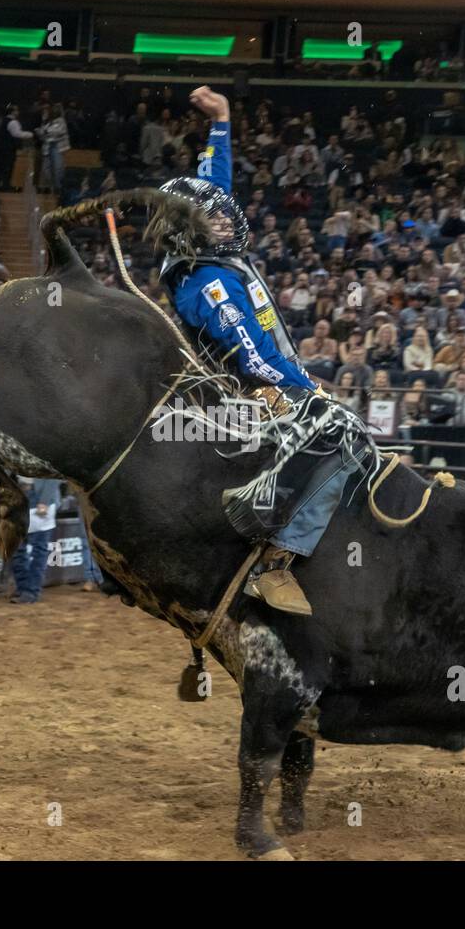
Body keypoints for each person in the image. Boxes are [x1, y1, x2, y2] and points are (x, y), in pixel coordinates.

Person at [153, 85, 368, 617]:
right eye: (216, 218)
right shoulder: (208, 284)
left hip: (270, 378)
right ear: (193, 232)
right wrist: (305, 386)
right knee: (341, 434)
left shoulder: (204, 251)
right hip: (250, 392)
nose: (227, 218)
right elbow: (250, 354)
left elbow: (214, 188)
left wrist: (222, 121)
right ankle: (275, 557)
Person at [10, 477, 60, 604]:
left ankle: (31, 591)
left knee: (39, 548)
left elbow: (52, 474)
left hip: (39, 496)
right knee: (16, 547)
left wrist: (45, 501)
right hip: (17, 493)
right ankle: (23, 587)